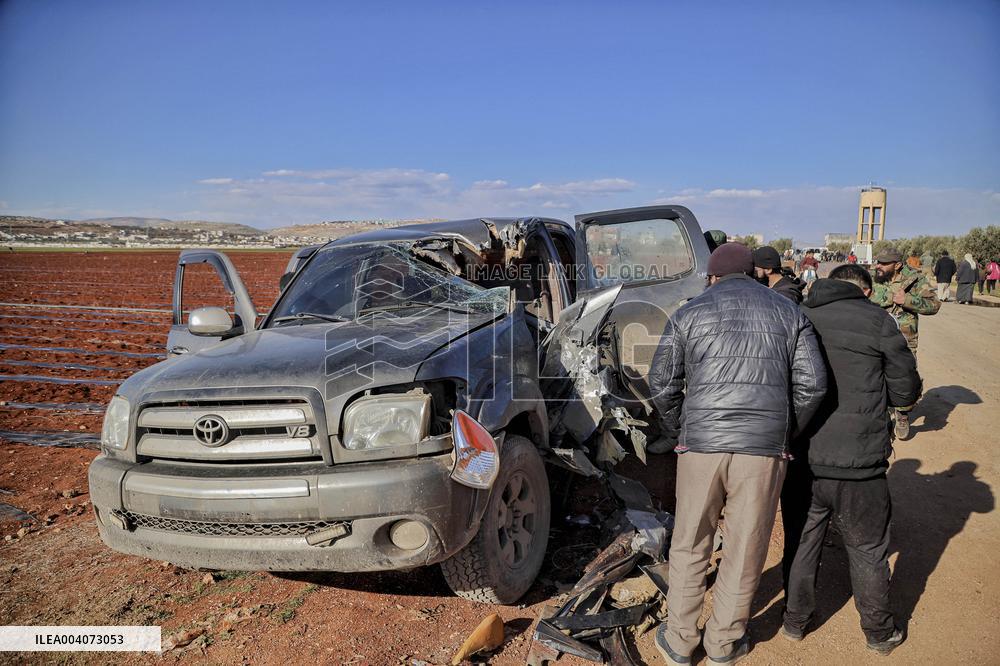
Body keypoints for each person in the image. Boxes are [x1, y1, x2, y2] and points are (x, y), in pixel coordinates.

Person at [649, 243, 826, 665]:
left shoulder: (689, 312)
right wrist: (782, 432)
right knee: (746, 548)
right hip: (763, 452)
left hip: (701, 447)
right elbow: (813, 384)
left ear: (712, 276)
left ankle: (679, 641)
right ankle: (723, 645)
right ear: (755, 274)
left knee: (691, 543)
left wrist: (682, 429)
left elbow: (660, 382)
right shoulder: (789, 312)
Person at [782, 264, 920, 656]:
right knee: (868, 547)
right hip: (861, 463)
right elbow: (905, 387)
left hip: (804, 457)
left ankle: (794, 621)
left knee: (803, 540)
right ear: (862, 289)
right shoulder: (878, 320)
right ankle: (879, 633)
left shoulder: (799, 316)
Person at [869, 247, 940, 439]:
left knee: (903, 379)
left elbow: (934, 305)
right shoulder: (872, 276)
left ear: (898, 265)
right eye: (878, 262)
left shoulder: (915, 279)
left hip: (904, 338)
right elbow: (861, 295)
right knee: (875, 375)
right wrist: (890, 298)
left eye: (884, 263)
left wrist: (907, 300)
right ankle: (880, 418)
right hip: (874, 335)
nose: (879, 266)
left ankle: (902, 414)